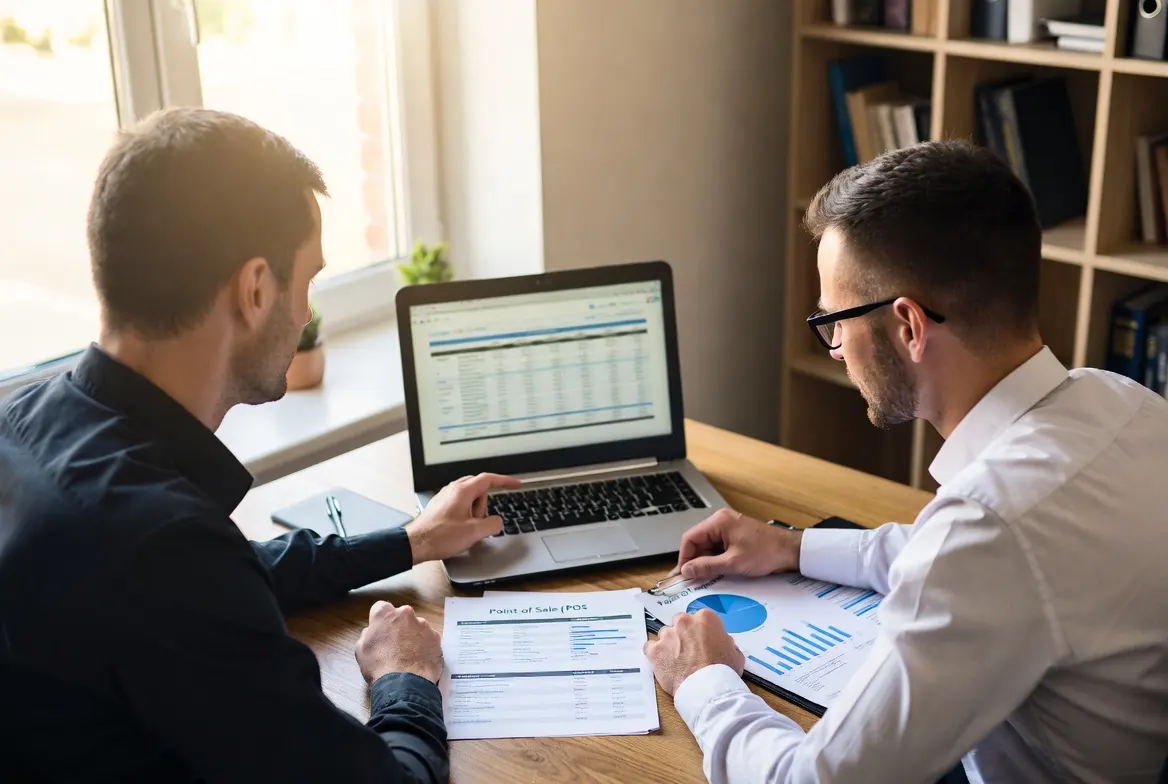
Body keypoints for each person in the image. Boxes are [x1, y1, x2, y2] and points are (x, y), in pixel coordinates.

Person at [0, 107, 519, 783]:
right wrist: (407, 676)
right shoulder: (158, 548)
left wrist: (410, 540)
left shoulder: (28, 421)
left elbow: (228, 571)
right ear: (253, 289)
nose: (305, 312)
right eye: (306, 282)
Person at [644, 141, 1168, 783]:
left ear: (910, 326)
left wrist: (705, 682)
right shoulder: (1122, 403)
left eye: (834, 321)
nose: (835, 349)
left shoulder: (991, 527)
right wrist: (794, 548)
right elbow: (985, 564)